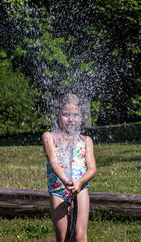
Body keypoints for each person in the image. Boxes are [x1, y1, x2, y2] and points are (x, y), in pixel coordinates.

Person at [42, 93, 97, 242]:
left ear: (80, 117)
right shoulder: (49, 137)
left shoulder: (86, 140)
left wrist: (79, 183)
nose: (71, 119)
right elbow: (53, 161)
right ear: (57, 115)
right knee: (63, 237)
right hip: (59, 190)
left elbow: (92, 168)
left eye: (75, 115)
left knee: (80, 236)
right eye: (66, 114)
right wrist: (65, 181)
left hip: (81, 188)